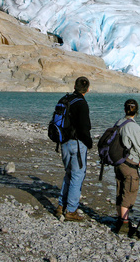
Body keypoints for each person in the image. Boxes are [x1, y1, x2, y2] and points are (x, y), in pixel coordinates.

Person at [55, 76, 92, 221]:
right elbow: (84, 128)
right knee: (77, 175)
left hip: (63, 142)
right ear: (88, 89)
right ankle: (71, 210)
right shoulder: (82, 104)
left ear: (74, 87)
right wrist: (89, 143)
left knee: (68, 173)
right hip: (77, 144)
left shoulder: (65, 100)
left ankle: (60, 206)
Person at [114, 98, 140, 234]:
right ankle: (125, 224)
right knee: (130, 191)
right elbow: (139, 148)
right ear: (136, 111)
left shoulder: (119, 122)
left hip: (118, 162)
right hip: (129, 162)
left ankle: (120, 219)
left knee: (120, 189)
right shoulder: (134, 126)